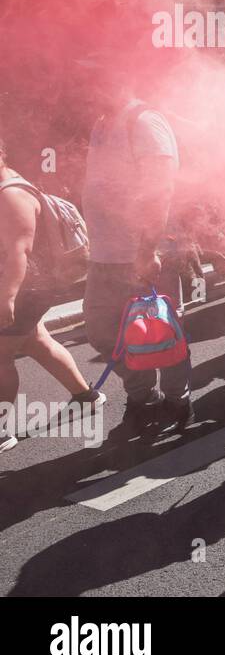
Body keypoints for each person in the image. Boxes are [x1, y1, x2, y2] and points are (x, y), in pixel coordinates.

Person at [78, 57, 189, 437]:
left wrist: (148, 249)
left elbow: (160, 190)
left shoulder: (144, 121)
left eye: (94, 81)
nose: (87, 91)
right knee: (100, 329)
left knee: (162, 330)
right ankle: (144, 396)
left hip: (141, 253)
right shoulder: (102, 124)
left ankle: (177, 399)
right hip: (104, 254)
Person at [0, 135, 105, 451]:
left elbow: (19, 250)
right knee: (36, 341)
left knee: (1, 356)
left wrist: (7, 298)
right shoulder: (11, 186)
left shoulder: (11, 196)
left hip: (27, 289)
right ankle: (87, 396)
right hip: (34, 286)